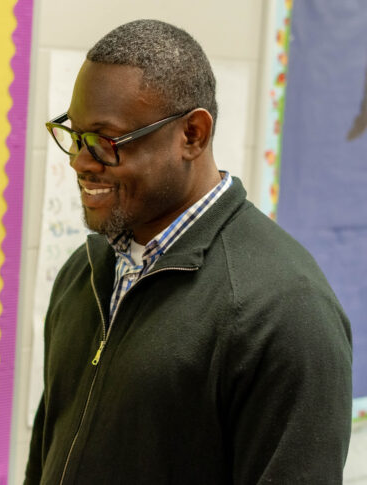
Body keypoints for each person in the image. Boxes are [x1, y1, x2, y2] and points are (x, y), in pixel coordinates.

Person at [25, 19, 352, 484]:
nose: (80, 161)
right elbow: (47, 452)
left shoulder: (286, 310)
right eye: (75, 135)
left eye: (105, 141)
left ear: (192, 135)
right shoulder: (88, 270)